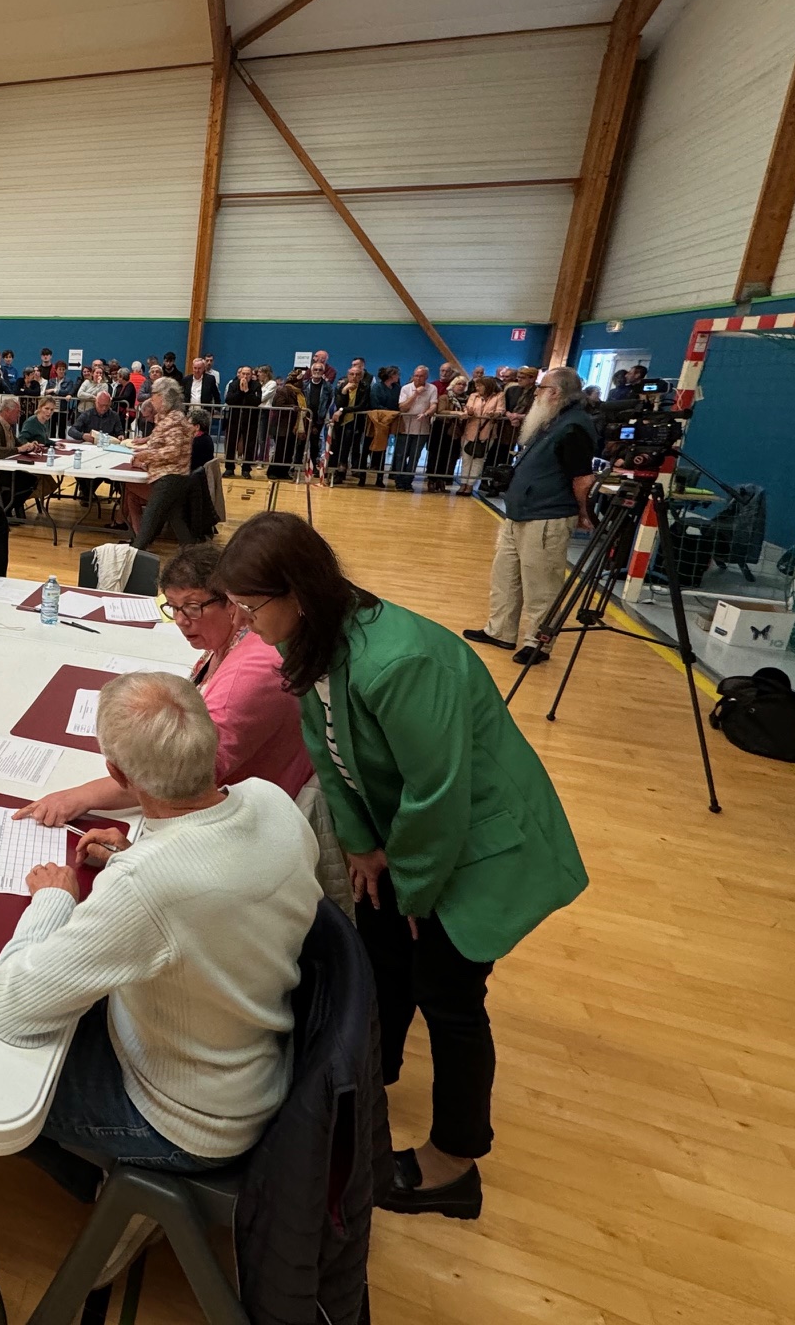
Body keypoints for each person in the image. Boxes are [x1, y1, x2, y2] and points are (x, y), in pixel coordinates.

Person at [214, 511, 587, 1219]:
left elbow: (439, 793)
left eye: (249, 606)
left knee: (449, 997)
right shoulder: (315, 640)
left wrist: (415, 891)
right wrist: (358, 845)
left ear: (296, 591)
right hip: (406, 839)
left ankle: (454, 1163)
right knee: (379, 958)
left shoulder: (398, 659)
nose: (242, 620)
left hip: (475, 850)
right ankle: (364, 1087)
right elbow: (327, 751)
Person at [0, 673, 322, 1205]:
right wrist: (129, 854)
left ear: (116, 773)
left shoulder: (148, 886)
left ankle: (105, 1196)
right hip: (251, 1058)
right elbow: (220, 888)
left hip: (188, 1121)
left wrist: (54, 899)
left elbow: (11, 1008)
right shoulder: (270, 800)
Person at [18, 543, 350, 901]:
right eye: (172, 608)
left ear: (232, 602)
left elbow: (178, 774)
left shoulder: (247, 675)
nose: (180, 620)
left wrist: (79, 798)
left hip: (241, 835)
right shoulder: (241, 639)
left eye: (192, 607)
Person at [464, 366, 596, 664]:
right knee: (505, 575)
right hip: (519, 513)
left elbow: (582, 479)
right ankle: (500, 630)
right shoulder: (553, 421)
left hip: (547, 516)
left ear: (555, 393)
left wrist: (584, 513)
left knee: (541, 584)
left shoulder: (574, 426)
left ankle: (538, 642)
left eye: (541, 388)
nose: (535, 394)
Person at [126, 379, 199, 550]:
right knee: (176, 519)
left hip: (170, 478)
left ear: (163, 397)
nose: (152, 399)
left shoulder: (175, 419)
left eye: (154, 395)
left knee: (150, 519)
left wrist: (146, 455)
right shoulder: (168, 419)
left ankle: (136, 553)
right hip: (171, 476)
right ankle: (194, 556)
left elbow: (173, 452)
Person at [454, 373, 507, 495]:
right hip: (471, 430)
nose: (477, 388)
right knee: (466, 458)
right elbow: (468, 408)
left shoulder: (499, 396)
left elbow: (500, 410)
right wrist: (469, 412)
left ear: (487, 386)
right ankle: (463, 483)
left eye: (480, 386)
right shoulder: (473, 396)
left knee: (478, 459)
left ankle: (470, 485)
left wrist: (495, 414)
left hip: (487, 432)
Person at [391, 364, 437, 488]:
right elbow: (403, 407)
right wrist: (416, 394)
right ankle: (399, 480)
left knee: (414, 456)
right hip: (405, 427)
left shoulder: (432, 388)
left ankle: (408, 481)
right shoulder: (406, 388)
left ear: (426, 377)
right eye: (416, 376)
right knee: (401, 455)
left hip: (422, 429)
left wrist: (426, 413)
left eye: (421, 376)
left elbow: (434, 405)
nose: (418, 378)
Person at [223, 365, 263, 477]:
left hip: (250, 419)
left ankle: (246, 469)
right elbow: (229, 400)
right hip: (234, 419)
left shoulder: (256, 386)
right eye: (243, 374)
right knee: (231, 444)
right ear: (239, 374)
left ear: (251, 375)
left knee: (249, 445)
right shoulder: (233, 384)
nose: (245, 376)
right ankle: (229, 468)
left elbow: (256, 401)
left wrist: (247, 391)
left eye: (248, 374)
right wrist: (240, 392)